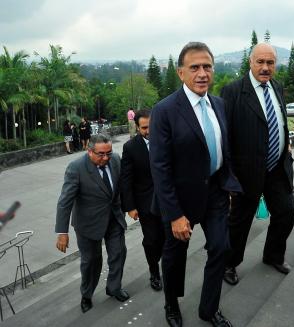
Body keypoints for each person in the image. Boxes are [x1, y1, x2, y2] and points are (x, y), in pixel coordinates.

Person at [149, 42, 241, 327]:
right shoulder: (164, 111)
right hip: (179, 199)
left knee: (221, 248)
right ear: (180, 73)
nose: (202, 73)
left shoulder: (219, 104)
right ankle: (171, 305)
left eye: (207, 67)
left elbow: (226, 149)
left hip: (214, 191)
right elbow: (160, 168)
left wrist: (227, 186)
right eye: (195, 68)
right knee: (175, 258)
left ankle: (208, 309)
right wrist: (175, 215)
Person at [220, 43, 294, 285]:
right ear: (250, 62)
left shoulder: (277, 87)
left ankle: (273, 256)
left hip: (277, 168)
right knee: (239, 222)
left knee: (286, 213)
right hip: (246, 173)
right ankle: (229, 264)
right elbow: (225, 137)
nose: (265, 68)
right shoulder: (232, 91)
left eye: (270, 63)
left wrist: (285, 143)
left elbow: (279, 122)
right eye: (260, 62)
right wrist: (229, 178)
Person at [55, 133, 129, 313]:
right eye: (101, 154)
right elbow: (65, 201)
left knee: (118, 253)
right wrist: (62, 232)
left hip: (113, 219)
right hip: (88, 223)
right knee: (91, 262)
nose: (106, 158)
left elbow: (122, 187)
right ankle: (86, 294)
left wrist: (130, 207)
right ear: (89, 151)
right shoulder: (76, 168)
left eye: (108, 153)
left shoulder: (116, 160)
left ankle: (114, 288)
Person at [120, 109, 165, 292]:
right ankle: (154, 272)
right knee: (151, 240)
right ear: (137, 128)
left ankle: (164, 262)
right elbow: (126, 179)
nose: (149, 131)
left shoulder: (166, 139)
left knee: (165, 238)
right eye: (145, 127)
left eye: (151, 126)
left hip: (167, 199)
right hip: (145, 202)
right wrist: (130, 207)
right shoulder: (130, 148)